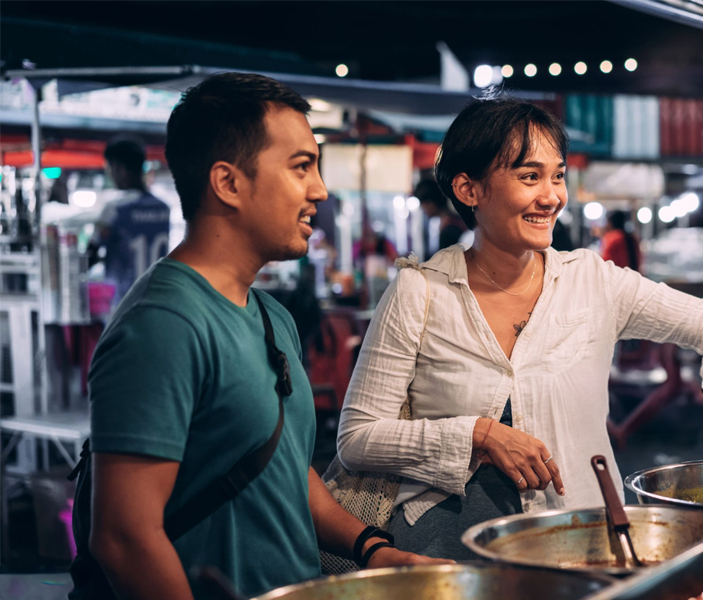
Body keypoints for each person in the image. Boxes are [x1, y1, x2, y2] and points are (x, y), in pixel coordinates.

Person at [336, 96, 703, 560]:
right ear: (469, 189)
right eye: (530, 176)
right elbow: (357, 438)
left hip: (581, 546)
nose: (552, 196)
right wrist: (476, 434)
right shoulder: (418, 291)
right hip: (446, 553)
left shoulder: (593, 281)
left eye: (558, 175)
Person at [83, 72, 446, 600]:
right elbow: (123, 538)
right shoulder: (162, 324)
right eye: (301, 167)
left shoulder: (270, 315)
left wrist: (372, 547)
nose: (319, 190)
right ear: (228, 183)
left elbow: (286, 472)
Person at [89, 137, 171, 309]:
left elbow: (90, 254)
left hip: (124, 303)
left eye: (110, 169)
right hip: (158, 300)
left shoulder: (114, 210)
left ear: (120, 169)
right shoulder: (163, 209)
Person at [415, 178, 466, 259]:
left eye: (423, 204)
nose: (423, 209)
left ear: (431, 203)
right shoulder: (452, 221)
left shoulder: (451, 228)